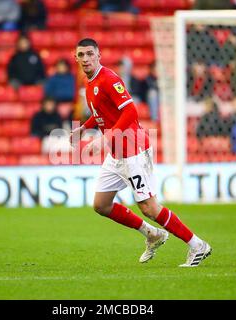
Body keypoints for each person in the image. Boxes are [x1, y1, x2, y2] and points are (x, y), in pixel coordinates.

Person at [70, 38, 211, 267]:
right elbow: (101, 113)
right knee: (101, 205)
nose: (85, 58)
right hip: (117, 153)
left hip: (133, 149)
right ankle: (152, 234)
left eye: (89, 54)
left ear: (99, 55)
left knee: (149, 207)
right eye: (81, 55)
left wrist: (105, 138)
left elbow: (130, 113)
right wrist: (84, 129)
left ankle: (197, 245)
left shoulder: (109, 79)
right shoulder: (90, 82)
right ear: (76, 58)